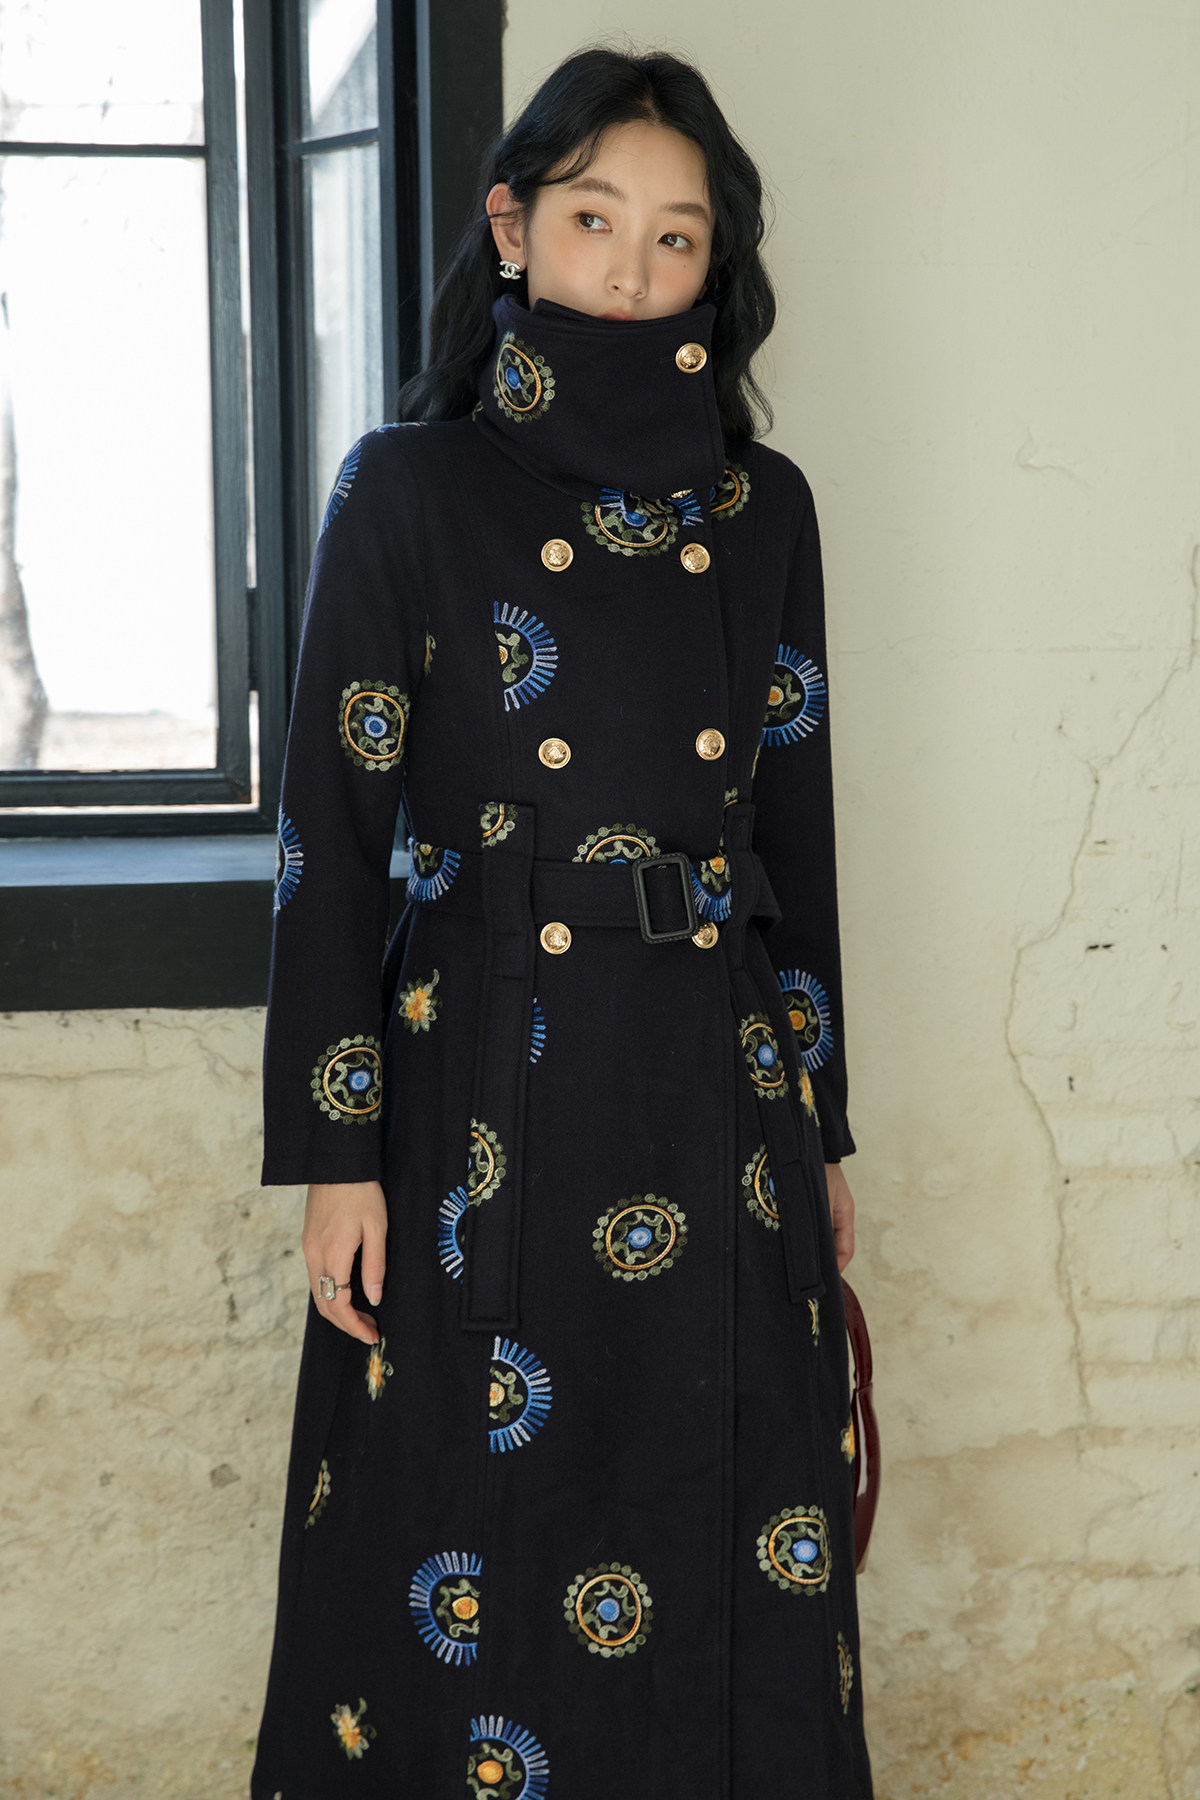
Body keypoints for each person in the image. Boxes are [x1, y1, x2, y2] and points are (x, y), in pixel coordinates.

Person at [252, 43, 872, 1800]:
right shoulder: (406, 488)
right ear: (514, 227)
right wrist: (337, 1154)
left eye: (677, 237)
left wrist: (822, 1121)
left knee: (723, 1517)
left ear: (715, 269)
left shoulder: (765, 511)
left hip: (713, 1087)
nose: (630, 269)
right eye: (595, 219)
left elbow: (796, 840)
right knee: (461, 1524)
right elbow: (330, 843)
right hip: (479, 1096)